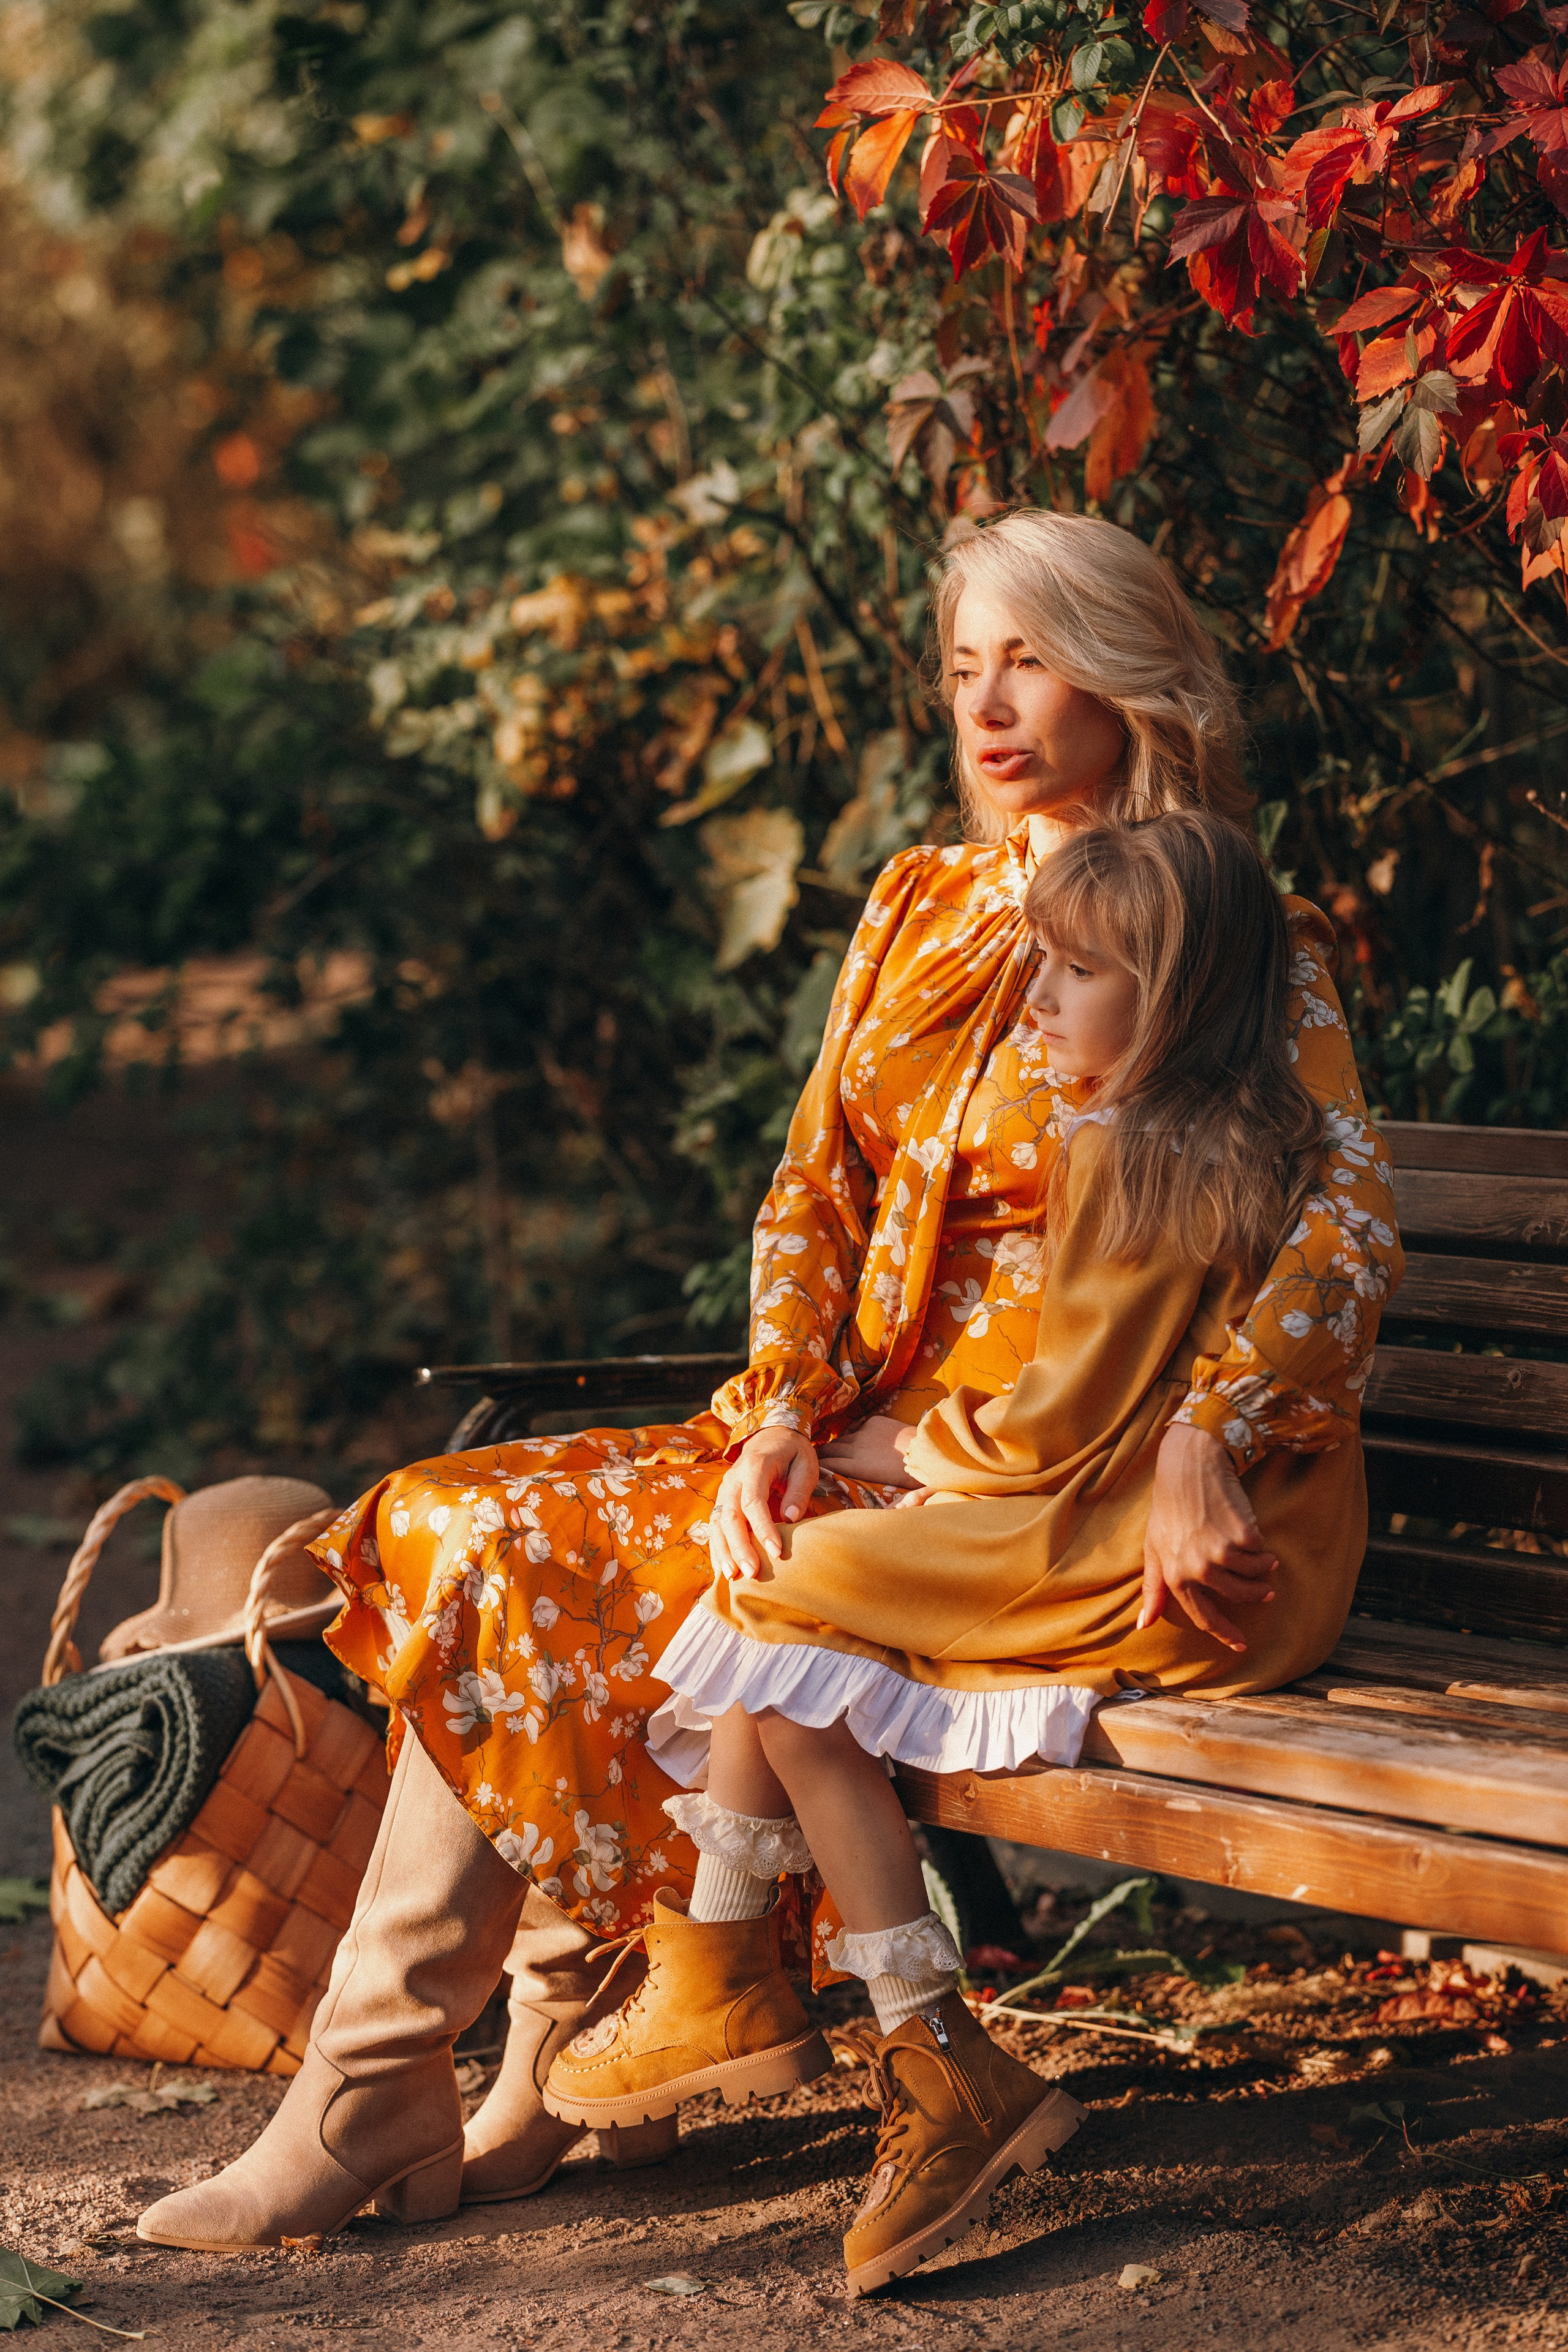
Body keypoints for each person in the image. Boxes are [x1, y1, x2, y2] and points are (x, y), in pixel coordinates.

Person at [136, 511, 1400, 2255]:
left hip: (1046, 1478)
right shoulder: (916, 907)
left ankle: (488, 2067)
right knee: (462, 1518)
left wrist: (1211, 1431)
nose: (987, 705)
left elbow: (1341, 1228)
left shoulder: (1229, 927)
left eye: (1031, 660)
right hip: (858, 1440)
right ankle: (451, 2070)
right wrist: (787, 1414)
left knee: (589, 1563)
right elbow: (815, 1190)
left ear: (1129, 674)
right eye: (962, 667)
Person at [543, 810, 1376, 2295]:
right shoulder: (1217, 1132)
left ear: (1173, 998)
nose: (1033, 1001)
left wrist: (899, 1450)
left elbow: (1062, 1424)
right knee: (798, 1639)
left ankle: (812, 2000)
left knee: (783, 1598)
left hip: (1171, 1568)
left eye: (1072, 974)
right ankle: (868, 2028)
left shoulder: (1133, 1155)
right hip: (1214, 1541)